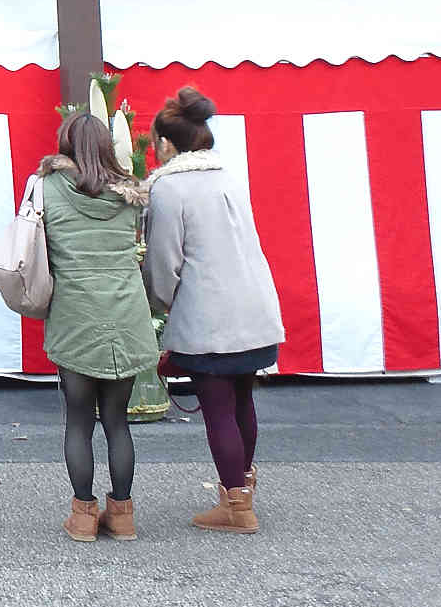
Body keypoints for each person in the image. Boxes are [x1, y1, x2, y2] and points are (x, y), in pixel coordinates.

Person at [143, 86, 286, 536]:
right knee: (242, 400)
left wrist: (156, 304)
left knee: (218, 407)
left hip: (209, 313)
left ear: (167, 143)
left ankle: (236, 506)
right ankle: (242, 486)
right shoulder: (230, 176)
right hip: (254, 304)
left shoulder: (168, 188)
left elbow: (164, 262)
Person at [40, 111, 159, 544]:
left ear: (66, 146)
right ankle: (123, 517)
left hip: (75, 314)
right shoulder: (130, 196)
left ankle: (84, 516)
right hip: (125, 315)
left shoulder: (47, 187)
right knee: (117, 420)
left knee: (77, 420)